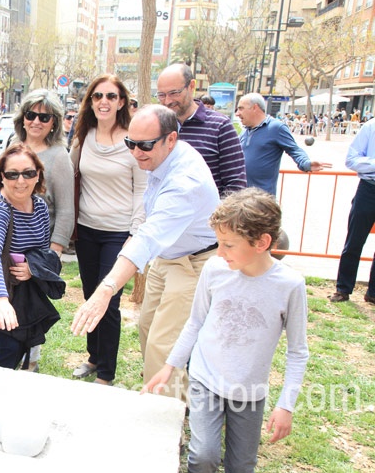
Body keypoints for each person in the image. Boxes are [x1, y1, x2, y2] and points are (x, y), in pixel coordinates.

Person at [143, 188, 309, 473]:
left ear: (262, 242)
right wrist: (170, 366)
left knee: (241, 470)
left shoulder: (290, 285)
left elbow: (297, 351)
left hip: (249, 392)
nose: (219, 252)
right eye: (218, 243)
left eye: (228, 245)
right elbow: (195, 322)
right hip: (205, 380)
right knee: (202, 457)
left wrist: (286, 404)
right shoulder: (215, 269)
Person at [71, 105, 219, 401]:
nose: (136, 152)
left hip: (194, 263)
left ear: (171, 139)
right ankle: (179, 399)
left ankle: (167, 414)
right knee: (148, 328)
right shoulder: (162, 157)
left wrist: (106, 290)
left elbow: (148, 237)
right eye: (131, 143)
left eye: (145, 145)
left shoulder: (184, 182)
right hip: (167, 257)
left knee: (163, 345)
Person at [69, 74, 146, 385]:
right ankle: (93, 356)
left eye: (111, 96)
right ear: (90, 101)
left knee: (109, 300)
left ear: (122, 102)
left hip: (119, 234)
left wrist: (134, 233)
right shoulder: (83, 137)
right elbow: (70, 175)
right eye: (98, 96)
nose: (104, 101)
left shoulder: (133, 140)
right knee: (91, 295)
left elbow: (142, 190)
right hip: (87, 230)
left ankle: (106, 373)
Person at [0, 143, 64, 369]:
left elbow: (41, 250)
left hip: (19, 288)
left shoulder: (39, 206)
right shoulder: (0, 209)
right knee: (8, 345)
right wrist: (0, 300)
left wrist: (32, 267)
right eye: (12, 174)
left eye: (28, 173)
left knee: (19, 344)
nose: (21, 181)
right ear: (2, 177)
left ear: (38, 175)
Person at [12, 89, 74, 369]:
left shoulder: (59, 156)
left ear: (54, 123)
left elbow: (66, 208)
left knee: (31, 306)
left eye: (44, 117)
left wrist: (54, 252)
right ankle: (12, 352)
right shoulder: (13, 145)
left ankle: (31, 361)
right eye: (31, 114)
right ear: (23, 118)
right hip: (10, 239)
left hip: (39, 245)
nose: (36, 121)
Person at [157, 63, 246, 198]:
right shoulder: (158, 126)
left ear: (191, 86)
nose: (168, 101)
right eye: (162, 95)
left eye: (174, 93)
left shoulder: (220, 126)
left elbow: (236, 185)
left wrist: (216, 211)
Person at [236, 93, 331, 196]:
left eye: (241, 109)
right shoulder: (244, 132)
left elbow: (294, 150)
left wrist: (305, 163)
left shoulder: (276, 128)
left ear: (255, 107)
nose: (237, 113)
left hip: (261, 199)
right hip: (241, 197)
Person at [330, 117, 375, 304]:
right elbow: (351, 159)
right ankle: (343, 289)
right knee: (354, 241)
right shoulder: (370, 127)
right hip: (369, 188)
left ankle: (373, 294)